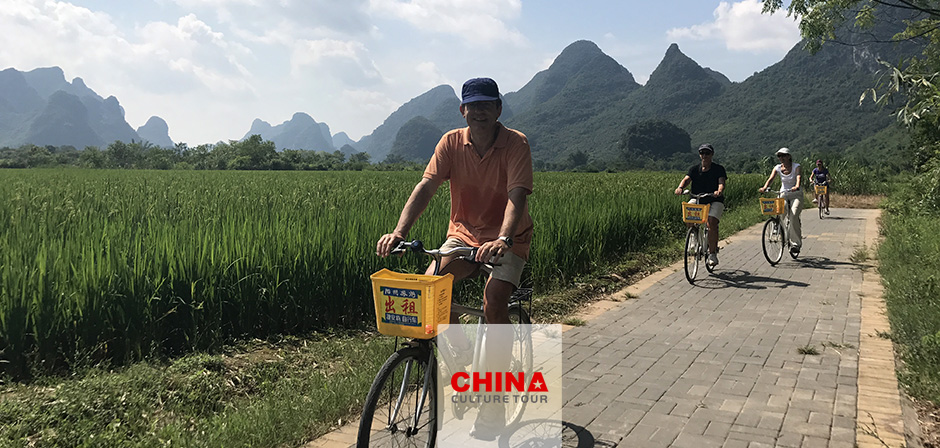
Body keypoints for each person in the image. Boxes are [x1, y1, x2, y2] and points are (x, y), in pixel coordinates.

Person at [375, 77, 533, 441]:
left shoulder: (515, 143)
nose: (478, 112)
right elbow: (426, 186)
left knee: (494, 303)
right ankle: (461, 361)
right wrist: (399, 232)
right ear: (462, 110)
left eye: (486, 105)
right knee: (432, 290)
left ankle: (492, 400)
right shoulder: (450, 142)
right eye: (472, 106)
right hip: (462, 235)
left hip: (508, 238)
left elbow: (516, 194)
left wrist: (504, 238)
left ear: (498, 109)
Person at [674, 143, 727, 268]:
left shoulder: (718, 169)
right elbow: (687, 179)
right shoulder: (694, 169)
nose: (704, 156)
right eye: (702, 153)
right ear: (699, 155)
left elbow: (721, 182)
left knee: (711, 222)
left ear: (712, 155)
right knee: (688, 216)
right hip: (697, 199)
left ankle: (712, 253)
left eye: (707, 153)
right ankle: (693, 236)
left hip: (714, 200)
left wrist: (719, 191)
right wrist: (680, 187)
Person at [759, 147, 803, 256]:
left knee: (793, 215)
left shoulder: (796, 166)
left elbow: (798, 177)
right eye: (779, 156)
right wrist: (765, 187)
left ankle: (795, 244)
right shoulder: (778, 168)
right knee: (779, 211)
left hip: (795, 194)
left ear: (789, 156)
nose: (781, 158)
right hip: (783, 193)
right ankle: (779, 229)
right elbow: (771, 179)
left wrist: (796, 186)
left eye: (783, 155)